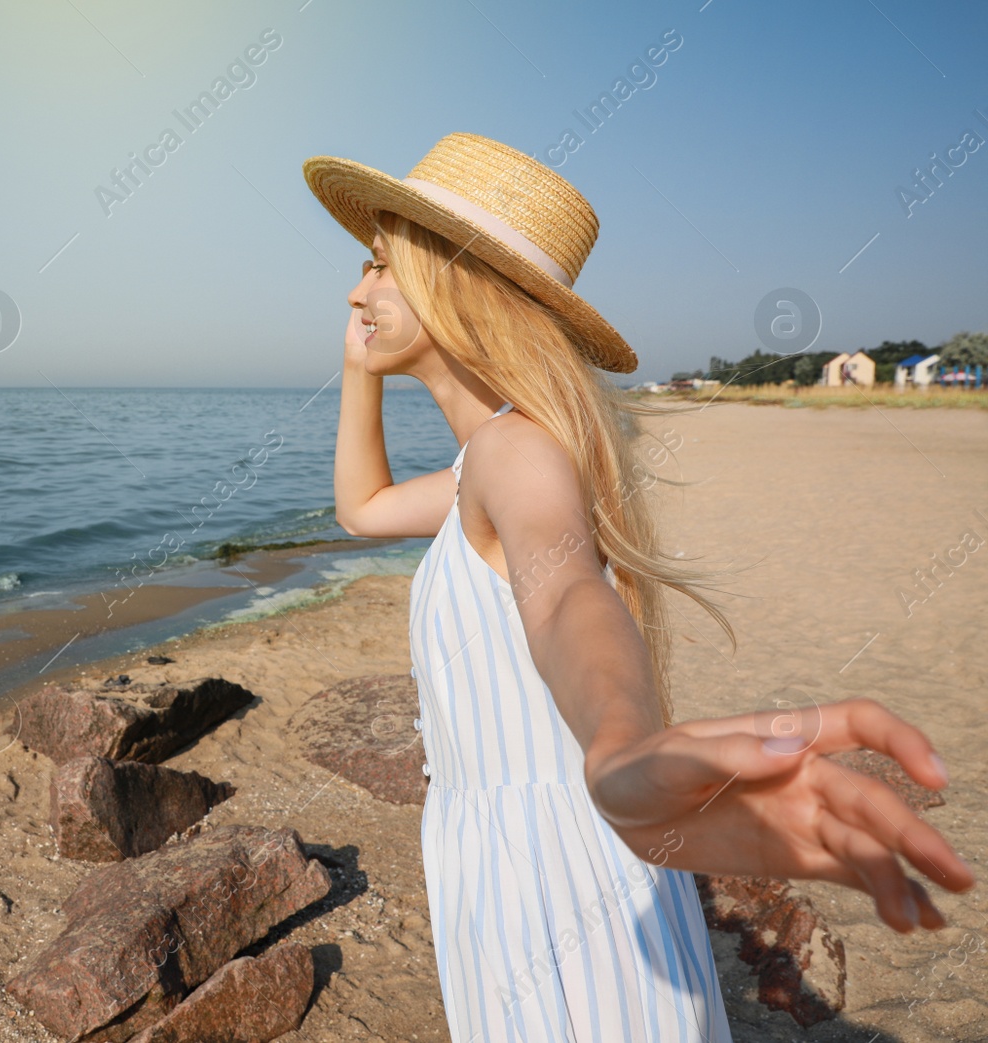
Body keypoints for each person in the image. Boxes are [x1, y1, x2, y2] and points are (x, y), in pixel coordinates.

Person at [302, 133, 973, 1041]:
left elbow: (567, 592)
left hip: (547, 866)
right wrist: (356, 365)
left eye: (381, 265)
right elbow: (364, 506)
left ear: (455, 283)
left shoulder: (515, 452)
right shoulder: (484, 463)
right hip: (507, 853)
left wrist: (620, 744)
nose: (356, 290)